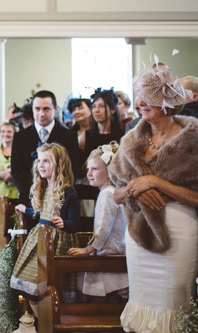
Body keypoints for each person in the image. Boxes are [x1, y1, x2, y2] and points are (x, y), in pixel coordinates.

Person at [108, 63, 198, 333]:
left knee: (174, 303)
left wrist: (156, 182)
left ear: (167, 101)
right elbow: (116, 194)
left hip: (180, 234)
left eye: (148, 96)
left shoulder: (192, 140)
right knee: (142, 303)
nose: (139, 102)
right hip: (139, 236)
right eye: (139, 95)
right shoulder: (130, 142)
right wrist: (135, 188)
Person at [10, 143, 80, 317]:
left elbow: (75, 223)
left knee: (49, 287)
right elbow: (40, 212)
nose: (41, 165)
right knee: (31, 287)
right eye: (39, 161)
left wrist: (65, 223)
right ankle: (44, 322)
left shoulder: (68, 191)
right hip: (40, 239)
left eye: (46, 161)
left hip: (57, 243)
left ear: (59, 164)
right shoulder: (43, 188)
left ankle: (50, 323)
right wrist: (26, 210)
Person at [68, 143, 128, 302]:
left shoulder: (108, 194)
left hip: (108, 253)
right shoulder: (108, 192)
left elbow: (103, 228)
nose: (89, 174)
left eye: (95, 169)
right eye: (88, 169)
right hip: (108, 250)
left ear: (109, 172)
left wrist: (88, 249)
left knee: (103, 299)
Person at [11, 90, 80, 207]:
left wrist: (52, 189)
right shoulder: (20, 137)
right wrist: (38, 189)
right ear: (32, 109)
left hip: (60, 200)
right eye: (37, 109)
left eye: (46, 109)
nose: (41, 114)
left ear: (55, 109)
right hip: (29, 199)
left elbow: (72, 168)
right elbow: (17, 171)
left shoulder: (69, 136)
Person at [83, 88, 123, 164]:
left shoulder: (122, 135)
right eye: (94, 106)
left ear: (113, 110)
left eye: (101, 106)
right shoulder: (85, 136)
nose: (96, 110)